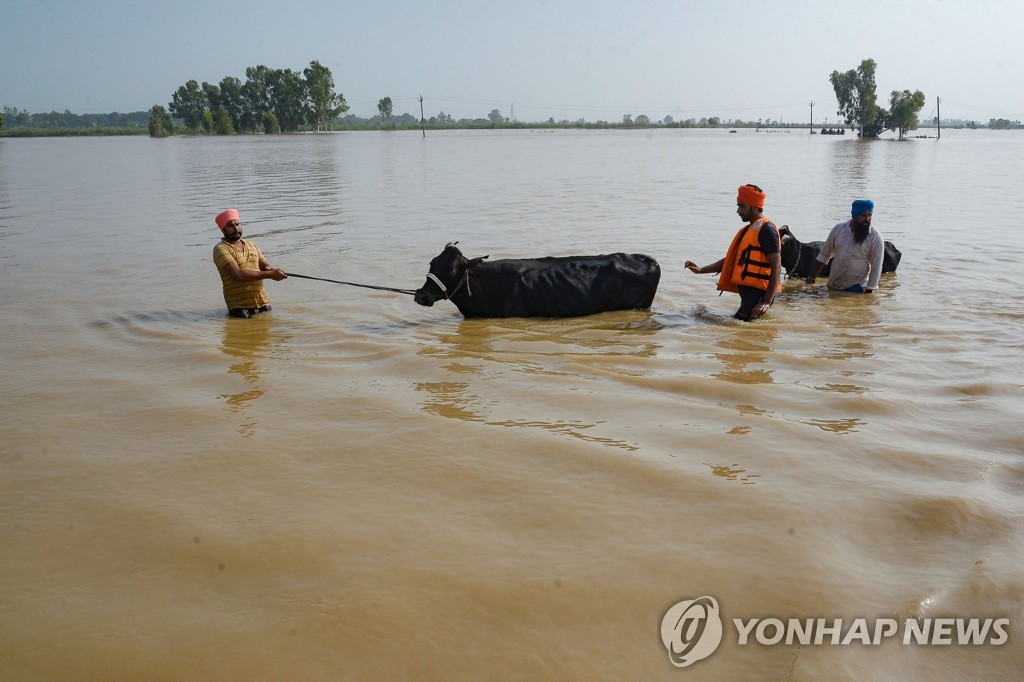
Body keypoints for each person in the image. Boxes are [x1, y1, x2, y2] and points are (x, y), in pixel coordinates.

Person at [685, 184, 782, 321]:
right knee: (743, 329)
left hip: (759, 293)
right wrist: (700, 270)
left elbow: (776, 266)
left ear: (754, 207)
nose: (738, 210)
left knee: (733, 325)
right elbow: (732, 259)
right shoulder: (749, 230)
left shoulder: (767, 230)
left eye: (742, 206)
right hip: (749, 292)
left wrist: (766, 302)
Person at [212, 209, 287, 318]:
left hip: (262, 301)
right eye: (230, 226)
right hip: (238, 305)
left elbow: (265, 266)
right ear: (223, 229)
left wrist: (274, 271)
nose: (235, 228)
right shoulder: (220, 249)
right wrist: (270, 275)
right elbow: (238, 275)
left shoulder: (252, 244)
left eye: (237, 224)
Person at [804, 199, 884, 293]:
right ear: (854, 216)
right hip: (833, 283)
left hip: (857, 286)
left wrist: (868, 292)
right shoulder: (838, 229)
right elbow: (824, 255)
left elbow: (876, 266)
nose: (867, 219)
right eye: (863, 216)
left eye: (870, 215)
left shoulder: (875, 237)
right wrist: (811, 277)